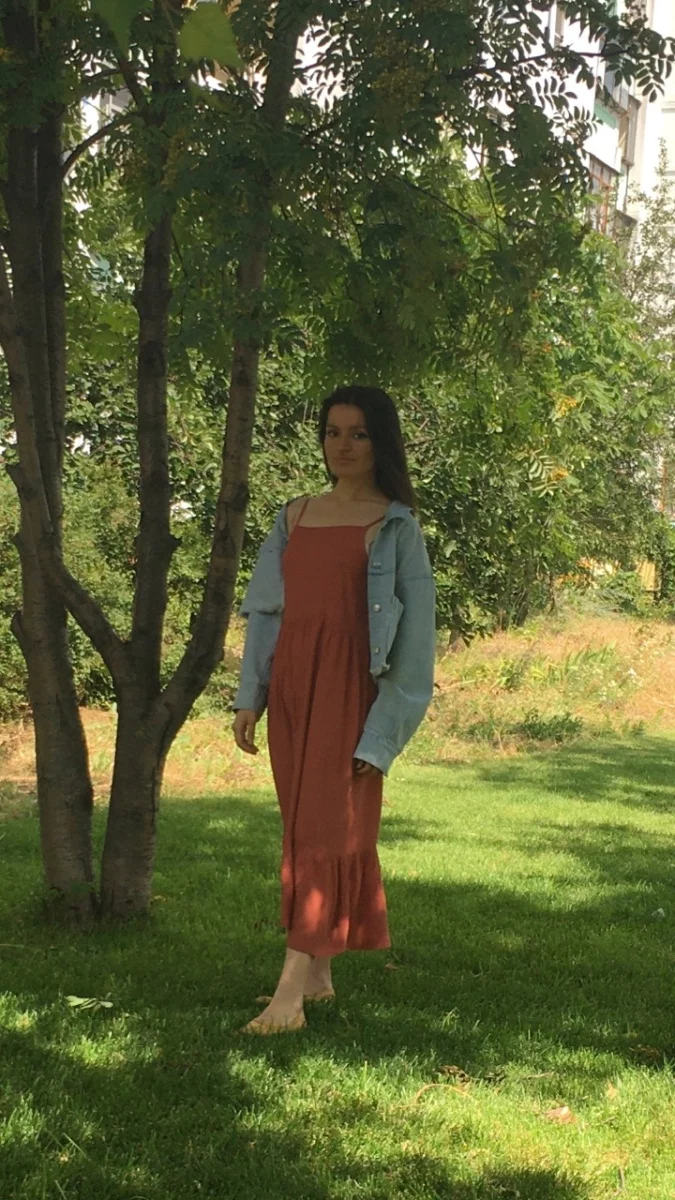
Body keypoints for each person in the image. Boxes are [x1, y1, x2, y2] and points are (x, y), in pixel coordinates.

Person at [231, 385, 436, 1034]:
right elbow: (265, 613)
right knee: (305, 830)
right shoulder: (293, 517)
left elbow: (415, 648)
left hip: (351, 693)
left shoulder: (395, 527)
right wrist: (251, 695)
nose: (342, 446)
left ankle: (287, 999)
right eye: (332, 432)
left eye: (359, 433)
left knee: (326, 829)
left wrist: (382, 735)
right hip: (294, 687)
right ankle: (318, 976)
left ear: (381, 442)